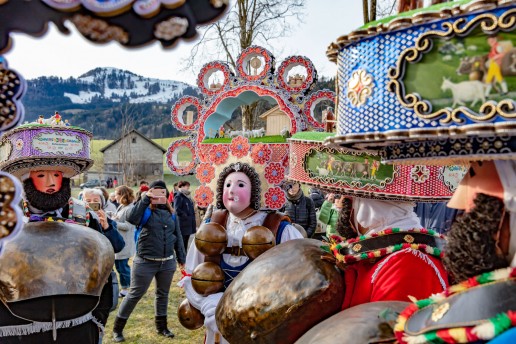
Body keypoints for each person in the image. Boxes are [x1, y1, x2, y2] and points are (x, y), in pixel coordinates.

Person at [0, 123, 125, 343]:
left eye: (56, 175)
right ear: (27, 178)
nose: (51, 183)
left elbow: (105, 268)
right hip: (17, 328)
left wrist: (97, 320)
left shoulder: (84, 215)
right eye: (41, 175)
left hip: (78, 323)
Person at [180, 162, 303, 344]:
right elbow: (190, 275)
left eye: (240, 185)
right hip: (218, 334)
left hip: (262, 330)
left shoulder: (280, 230)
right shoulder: (211, 228)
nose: (231, 190)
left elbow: (301, 282)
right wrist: (206, 304)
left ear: (255, 191)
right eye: (227, 185)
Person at [334, 197, 448, 309]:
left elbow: (382, 324)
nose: (340, 202)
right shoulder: (394, 254)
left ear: (367, 209)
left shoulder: (407, 262)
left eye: (350, 198)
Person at [112, 180, 186, 342]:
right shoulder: (144, 211)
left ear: (167, 196)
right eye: (156, 193)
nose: (159, 196)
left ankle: (162, 327)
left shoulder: (172, 213)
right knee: (134, 294)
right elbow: (131, 219)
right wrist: (145, 198)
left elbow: (178, 236)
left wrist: (182, 258)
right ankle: (117, 329)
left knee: (162, 295)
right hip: (145, 261)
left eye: (163, 193)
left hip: (167, 262)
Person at [113, 185, 136, 298]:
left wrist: (113, 223)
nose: (114, 196)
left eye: (116, 194)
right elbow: (119, 218)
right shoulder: (122, 206)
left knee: (123, 267)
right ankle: (126, 287)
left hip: (125, 242)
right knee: (119, 266)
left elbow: (128, 226)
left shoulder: (130, 208)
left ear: (122, 195)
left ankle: (127, 288)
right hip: (119, 241)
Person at [174, 180, 197, 249]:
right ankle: (182, 257)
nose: (188, 188)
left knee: (186, 241)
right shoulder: (178, 196)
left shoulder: (186, 196)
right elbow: (177, 209)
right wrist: (185, 216)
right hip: (183, 224)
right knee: (182, 242)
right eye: (187, 186)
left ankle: (184, 256)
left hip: (188, 223)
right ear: (182, 186)